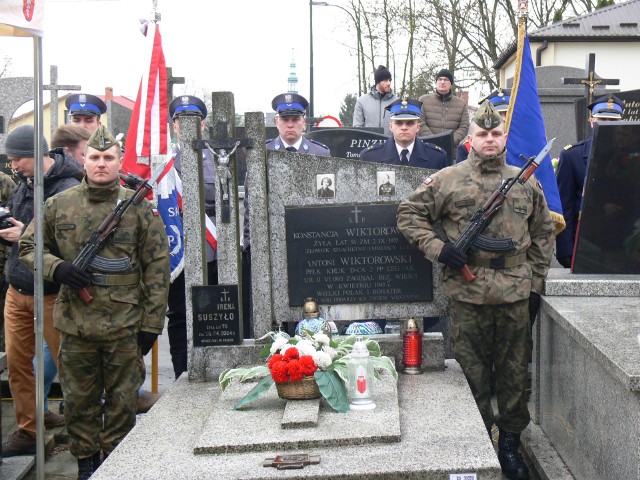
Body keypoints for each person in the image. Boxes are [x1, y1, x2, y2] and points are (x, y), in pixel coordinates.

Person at [397, 101, 555, 480]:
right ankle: (478, 442)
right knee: (472, 375)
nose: (489, 139)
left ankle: (510, 446)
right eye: (482, 134)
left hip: (515, 295)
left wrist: (534, 284)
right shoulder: (447, 179)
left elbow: (544, 233)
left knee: (516, 376)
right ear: (470, 140)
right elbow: (408, 213)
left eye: (495, 133)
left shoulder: (525, 182)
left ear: (503, 139)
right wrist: (439, 249)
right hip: (468, 296)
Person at [19, 126, 170, 479]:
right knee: (78, 404)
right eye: (94, 158)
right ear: (82, 161)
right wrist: (58, 269)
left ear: (119, 162)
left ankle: (116, 466)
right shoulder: (58, 204)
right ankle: (87, 465)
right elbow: (29, 247)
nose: (101, 164)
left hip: (124, 327)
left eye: (108, 158)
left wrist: (151, 326)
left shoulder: (139, 210)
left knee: (122, 406)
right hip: (76, 327)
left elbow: (157, 270)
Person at [0, 125, 81, 456]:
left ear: (38, 155)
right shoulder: (24, 184)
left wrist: (25, 237)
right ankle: (29, 429)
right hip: (17, 289)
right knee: (18, 363)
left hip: (51, 293)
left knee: (69, 364)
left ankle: (84, 429)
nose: (13, 166)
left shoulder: (68, 188)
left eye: (18, 159)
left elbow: (73, 246)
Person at [166, 95, 218, 380]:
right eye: (181, 120)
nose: (186, 126)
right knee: (179, 315)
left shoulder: (217, 156)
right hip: (176, 248)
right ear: (174, 125)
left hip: (211, 247)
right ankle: (181, 372)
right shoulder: (164, 160)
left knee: (211, 310)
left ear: (203, 124)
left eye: (193, 121)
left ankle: (213, 369)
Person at [555, 94, 624, 268]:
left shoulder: (630, 156)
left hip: (623, 244)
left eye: (612, 121)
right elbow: (565, 207)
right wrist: (566, 250)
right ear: (592, 120)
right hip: (585, 242)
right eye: (602, 119)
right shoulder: (572, 156)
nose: (607, 124)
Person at [360, 98, 447, 169]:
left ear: (418, 127)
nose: (404, 127)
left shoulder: (437, 157)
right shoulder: (370, 157)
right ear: (391, 127)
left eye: (410, 123)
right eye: (399, 123)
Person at [265, 93, 331, 155]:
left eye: (295, 120)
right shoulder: (264, 151)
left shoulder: (320, 153)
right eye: (285, 120)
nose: (290, 125)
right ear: (276, 122)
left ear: (304, 122)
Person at [418, 69, 470, 147]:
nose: (442, 82)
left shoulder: (461, 104)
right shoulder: (423, 101)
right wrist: (433, 140)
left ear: (451, 84)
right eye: (440, 79)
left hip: (451, 150)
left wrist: (450, 141)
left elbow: (464, 126)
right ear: (436, 82)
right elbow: (420, 122)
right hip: (427, 147)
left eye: (446, 80)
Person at [457, 89, 510, 163]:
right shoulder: (467, 148)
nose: (504, 119)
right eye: (499, 114)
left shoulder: (522, 143)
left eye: (507, 114)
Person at [352, 65, 398, 135]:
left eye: (390, 80)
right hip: (369, 144)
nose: (389, 83)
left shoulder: (397, 102)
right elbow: (357, 128)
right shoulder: (362, 102)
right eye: (385, 80)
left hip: (391, 144)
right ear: (378, 82)